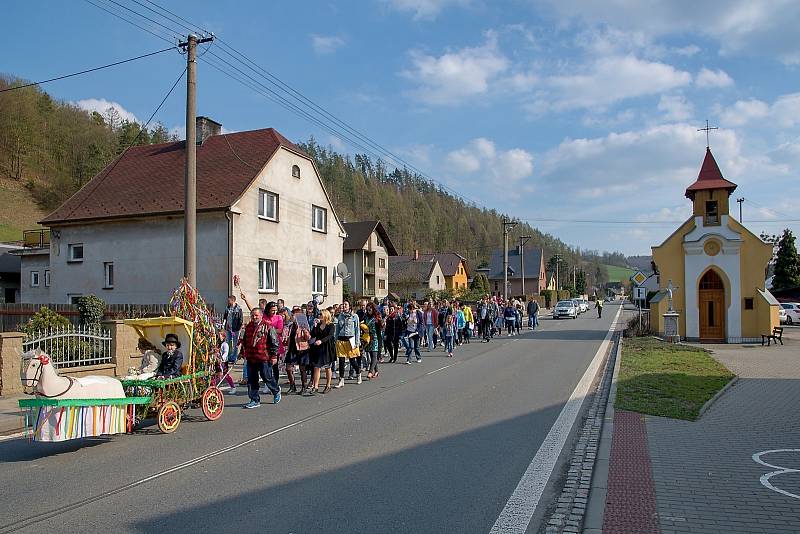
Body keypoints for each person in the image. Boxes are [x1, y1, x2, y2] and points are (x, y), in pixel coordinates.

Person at [239, 307, 281, 409]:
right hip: (251, 357)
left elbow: (275, 342)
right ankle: (254, 400)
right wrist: (241, 352)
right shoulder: (248, 327)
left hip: (264, 357)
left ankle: (276, 390)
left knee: (266, 377)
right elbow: (245, 341)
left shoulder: (268, 326)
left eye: (256, 315)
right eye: (252, 315)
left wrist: (274, 356)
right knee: (252, 380)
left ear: (261, 315)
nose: (254, 317)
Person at [308, 309, 335, 394]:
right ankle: (315, 386)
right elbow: (313, 334)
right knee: (316, 367)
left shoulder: (331, 325)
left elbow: (330, 336)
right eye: (319, 314)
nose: (319, 316)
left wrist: (321, 341)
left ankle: (328, 385)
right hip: (318, 349)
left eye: (321, 314)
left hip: (327, 348)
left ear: (325, 315)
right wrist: (315, 326)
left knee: (327, 367)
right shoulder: (318, 325)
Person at [334, 301, 361, 388]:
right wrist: (335, 340)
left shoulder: (354, 316)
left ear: (349, 306)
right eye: (343, 304)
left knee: (352, 360)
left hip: (350, 340)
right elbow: (337, 329)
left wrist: (357, 342)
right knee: (341, 361)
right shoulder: (340, 316)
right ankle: (341, 380)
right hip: (341, 340)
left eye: (346, 304)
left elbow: (357, 329)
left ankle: (358, 372)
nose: (344, 306)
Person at [285, 307, 311, 394]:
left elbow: (308, 338)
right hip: (292, 349)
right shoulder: (291, 326)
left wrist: (304, 331)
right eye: (292, 315)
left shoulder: (303, 326)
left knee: (302, 368)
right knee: (288, 368)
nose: (291, 316)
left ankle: (304, 387)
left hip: (302, 349)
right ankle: (292, 386)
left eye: (293, 315)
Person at [222, 295, 243, 384]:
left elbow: (240, 319)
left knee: (234, 344)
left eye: (229, 300)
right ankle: (228, 356)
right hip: (228, 328)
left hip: (235, 328)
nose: (228, 302)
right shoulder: (227, 308)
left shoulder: (238, 309)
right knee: (227, 343)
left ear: (233, 300)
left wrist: (239, 328)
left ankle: (233, 357)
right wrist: (224, 325)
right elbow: (225, 317)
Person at [364, 303, 382, 379]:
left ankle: (370, 372)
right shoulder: (366, 317)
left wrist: (381, 323)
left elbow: (380, 328)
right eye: (367, 309)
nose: (368, 311)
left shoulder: (377, 317)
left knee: (374, 355)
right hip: (368, 338)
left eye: (370, 309)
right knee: (371, 355)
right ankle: (376, 371)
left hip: (375, 338)